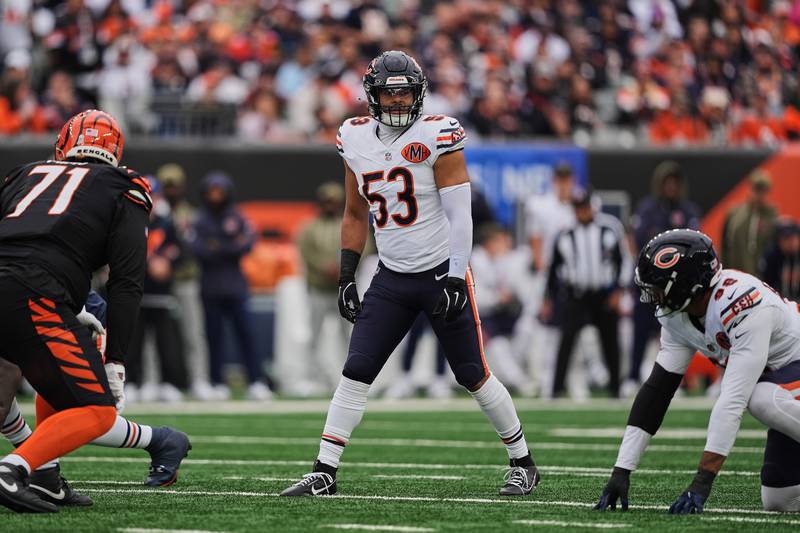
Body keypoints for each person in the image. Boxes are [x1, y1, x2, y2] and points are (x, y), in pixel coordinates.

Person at [280, 50, 540, 498]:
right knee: (356, 369)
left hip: (440, 271)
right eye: (389, 92)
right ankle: (324, 471)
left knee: (472, 373)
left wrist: (457, 277)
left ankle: (523, 461)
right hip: (392, 276)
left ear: (418, 94)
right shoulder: (354, 138)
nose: (397, 101)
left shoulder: (438, 133)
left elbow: (462, 217)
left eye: (404, 92)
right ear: (372, 96)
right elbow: (355, 212)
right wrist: (346, 275)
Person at [0, 109, 179, 513]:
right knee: (95, 410)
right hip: (35, 293)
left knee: (45, 388)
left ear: (63, 144)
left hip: (28, 290)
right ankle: (13, 469)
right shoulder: (125, 186)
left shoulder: (23, 173)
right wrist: (116, 359)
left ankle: (44, 476)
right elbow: (127, 281)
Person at [595, 229, 800, 514]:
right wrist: (621, 470)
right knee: (781, 499)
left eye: (658, 287)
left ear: (684, 286)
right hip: (787, 388)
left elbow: (732, 401)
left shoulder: (742, 304)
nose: (653, 296)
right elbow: (657, 391)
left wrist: (702, 481)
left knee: (759, 397)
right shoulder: (679, 316)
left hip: (787, 377)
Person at [0, 291, 190, 507]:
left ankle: (160, 439)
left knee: (85, 414)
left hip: (70, 318)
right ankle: (45, 477)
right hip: (39, 310)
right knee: (68, 419)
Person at [542, 189, 631, 398]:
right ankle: (556, 389)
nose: (582, 211)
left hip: (604, 294)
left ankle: (616, 389)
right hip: (576, 295)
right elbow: (553, 268)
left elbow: (623, 260)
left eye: (585, 206)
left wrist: (619, 290)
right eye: (578, 207)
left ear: (593, 206)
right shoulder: (564, 233)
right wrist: (548, 298)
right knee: (566, 342)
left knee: (610, 342)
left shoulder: (609, 229)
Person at [191, 171, 271, 401]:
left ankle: (256, 381)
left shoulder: (237, 217)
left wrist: (218, 245)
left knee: (246, 335)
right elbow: (199, 250)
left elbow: (246, 245)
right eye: (212, 192)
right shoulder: (200, 219)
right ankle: (216, 382)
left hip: (236, 286)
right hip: (210, 287)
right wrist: (228, 245)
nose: (216, 196)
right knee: (214, 337)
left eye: (220, 191)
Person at [627, 161, 701, 393]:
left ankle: (678, 381)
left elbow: (694, 245)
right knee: (640, 332)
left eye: (674, 182)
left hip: (676, 286)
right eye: (667, 182)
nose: (670, 186)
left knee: (676, 335)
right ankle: (632, 376)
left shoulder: (687, 211)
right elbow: (638, 241)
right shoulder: (648, 209)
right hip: (649, 283)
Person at [126, 176, 188, 402]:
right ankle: (132, 382)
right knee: (133, 341)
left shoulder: (167, 221)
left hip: (161, 292)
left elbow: (182, 250)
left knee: (166, 341)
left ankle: (167, 383)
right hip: (135, 289)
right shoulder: (129, 220)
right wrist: (146, 264)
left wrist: (168, 263)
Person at [157, 163, 214, 401]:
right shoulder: (153, 213)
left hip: (185, 279)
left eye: (175, 186)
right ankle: (156, 381)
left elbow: (195, 247)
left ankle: (199, 379)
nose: (171, 191)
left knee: (193, 332)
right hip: (158, 282)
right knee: (156, 335)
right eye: (167, 186)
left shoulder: (190, 215)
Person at [297, 182, 352, 391]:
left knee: (347, 337)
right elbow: (306, 252)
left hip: (343, 291)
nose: (329, 205)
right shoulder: (309, 228)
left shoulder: (349, 224)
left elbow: (364, 248)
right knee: (314, 334)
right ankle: (310, 377)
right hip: (318, 289)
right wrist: (324, 268)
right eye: (326, 202)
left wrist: (343, 269)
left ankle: (350, 378)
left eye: (333, 202)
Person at [721, 170, 778, 275]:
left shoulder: (771, 217)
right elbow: (725, 244)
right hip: (736, 273)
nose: (759, 195)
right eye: (756, 190)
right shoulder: (735, 214)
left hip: (760, 276)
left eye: (763, 191)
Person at [761, 218, 800, 301]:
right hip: (779, 302)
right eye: (786, 238)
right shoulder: (771, 257)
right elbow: (767, 284)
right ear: (779, 240)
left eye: (794, 238)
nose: (791, 242)